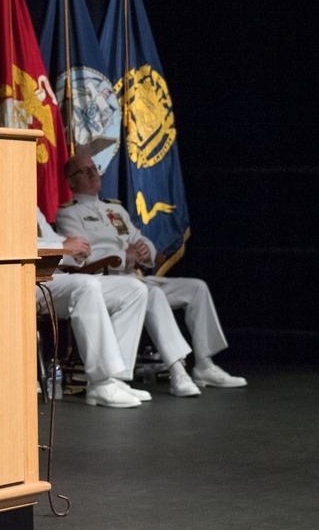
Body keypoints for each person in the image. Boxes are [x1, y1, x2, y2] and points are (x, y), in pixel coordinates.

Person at [56, 154, 247, 398]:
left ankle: (204, 364)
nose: (93, 174)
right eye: (84, 171)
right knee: (152, 293)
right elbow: (83, 253)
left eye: (94, 168)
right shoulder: (68, 214)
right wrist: (124, 255)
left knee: (196, 287)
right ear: (71, 182)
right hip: (110, 279)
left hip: (134, 276)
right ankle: (178, 371)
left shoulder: (114, 208)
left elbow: (138, 237)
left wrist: (145, 250)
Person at [36, 207, 150, 408]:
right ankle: (100, 382)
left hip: (55, 277)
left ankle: (117, 378)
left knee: (133, 289)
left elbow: (53, 239)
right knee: (87, 286)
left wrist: (77, 253)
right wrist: (62, 246)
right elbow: (14, 245)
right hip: (27, 279)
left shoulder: (32, 207)